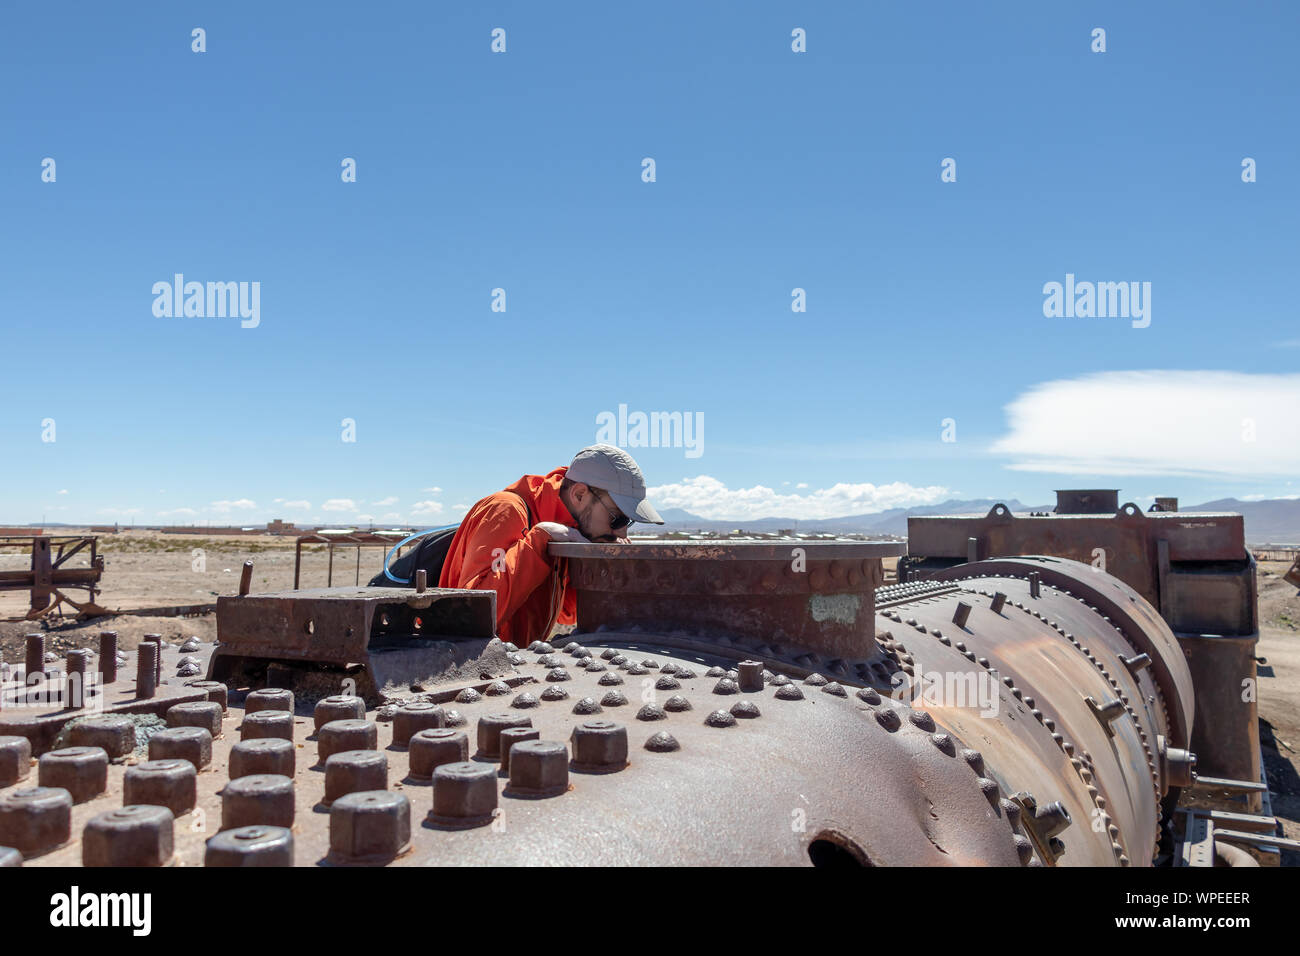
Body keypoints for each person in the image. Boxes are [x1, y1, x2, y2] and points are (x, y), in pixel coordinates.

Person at [438, 444, 663, 646]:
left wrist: (601, 565)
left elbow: (566, 613)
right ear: (579, 494)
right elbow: (472, 615)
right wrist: (539, 541)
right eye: (618, 518)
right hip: (467, 667)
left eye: (628, 522)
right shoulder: (506, 511)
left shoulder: (570, 527)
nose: (622, 532)